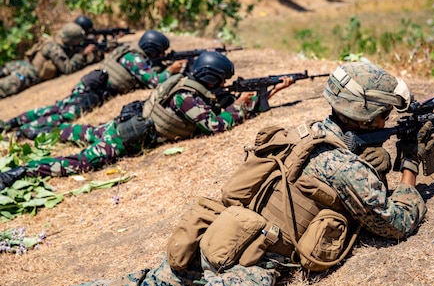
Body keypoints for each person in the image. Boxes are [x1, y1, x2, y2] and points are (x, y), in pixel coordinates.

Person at [35, 61, 433, 286]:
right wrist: (410, 167)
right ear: (369, 115)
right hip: (249, 267)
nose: (388, 121)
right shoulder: (345, 168)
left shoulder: (303, 132)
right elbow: (395, 224)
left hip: (212, 238)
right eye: (386, 114)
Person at [0, 51, 293, 187]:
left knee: (80, 131)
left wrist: (267, 94)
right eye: (220, 81)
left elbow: (218, 105)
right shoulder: (186, 97)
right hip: (122, 136)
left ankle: (29, 132)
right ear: (211, 77)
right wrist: (244, 105)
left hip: (122, 122)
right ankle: (20, 171)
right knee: (80, 162)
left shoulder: (183, 83)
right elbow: (218, 124)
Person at [0, 29, 186, 138]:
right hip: (94, 90)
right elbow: (154, 81)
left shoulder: (129, 51)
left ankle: (11, 123)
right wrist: (170, 71)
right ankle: (21, 131)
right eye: (160, 52)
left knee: (57, 108)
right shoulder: (133, 58)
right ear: (152, 49)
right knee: (64, 114)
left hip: (92, 83)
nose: (161, 56)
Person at [0, 22, 96, 99]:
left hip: (26, 65)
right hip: (29, 74)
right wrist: (81, 54)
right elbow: (67, 68)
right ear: (72, 40)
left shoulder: (58, 40)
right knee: (4, 87)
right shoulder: (54, 49)